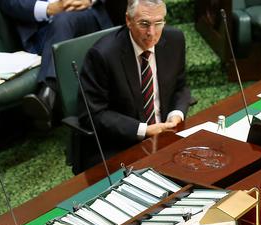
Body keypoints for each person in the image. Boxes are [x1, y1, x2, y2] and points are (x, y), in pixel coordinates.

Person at [78, 0, 191, 169]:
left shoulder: (175, 40)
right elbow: (93, 114)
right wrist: (143, 130)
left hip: (166, 135)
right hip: (121, 143)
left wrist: (176, 114)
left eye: (158, 23)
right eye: (144, 24)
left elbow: (181, 86)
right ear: (128, 20)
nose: (151, 33)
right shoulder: (103, 55)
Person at [0, 0, 115, 129]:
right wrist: (49, 8)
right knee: (62, 21)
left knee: (63, 20)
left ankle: (47, 96)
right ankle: (48, 98)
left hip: (88, 14)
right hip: (44, 29)